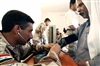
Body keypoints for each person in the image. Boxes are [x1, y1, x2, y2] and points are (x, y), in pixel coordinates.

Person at [59, 0, 100, 66]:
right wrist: (58, 44)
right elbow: (72, 37)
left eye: (81, 5)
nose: (78, 10)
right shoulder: (84, 26)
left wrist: (89, 63)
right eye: (77, 6)